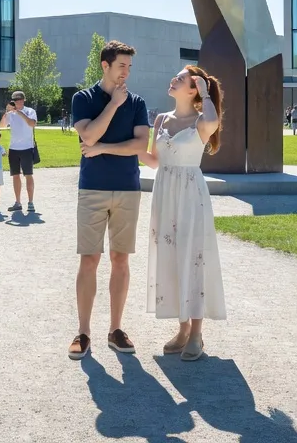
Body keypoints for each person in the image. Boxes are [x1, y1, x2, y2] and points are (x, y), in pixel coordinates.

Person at [139, 65, 227, 361]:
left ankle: (197, 333)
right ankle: (182, 327)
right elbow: (152, 160)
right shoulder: (161, 119)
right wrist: (131, 143)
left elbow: (214, 121)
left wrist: (206, 92)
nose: (172, 79)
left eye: (179, 78)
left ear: (192, 89)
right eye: (174, 76)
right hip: (164, 192)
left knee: (193, 258)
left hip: (191, 194)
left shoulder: (203, 121)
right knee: (171, 257)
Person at [69, 40, 149, 360]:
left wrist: (103, 148)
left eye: (129, 67)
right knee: (89, 259)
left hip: (128, 188)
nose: (126, 73)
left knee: (121, 259)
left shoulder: (138, 102)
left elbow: (140, 146)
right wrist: (114, 105)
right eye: (121, 66)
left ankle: (116, 330)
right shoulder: (83, 98)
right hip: (92, 189)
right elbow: (87, 135)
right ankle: (83, 332)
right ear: (105, 65)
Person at [3, 90, 39, 213]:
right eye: (15, 100)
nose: (18, 101)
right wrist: (6, 112)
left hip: (27, 148)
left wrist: (19, 112)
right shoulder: (10, 114)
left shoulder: (30, 111)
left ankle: (30, 202)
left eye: (20, 99)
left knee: (28, 175)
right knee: (15, 176)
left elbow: (32, 124)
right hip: (13, 148)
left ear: (23, 100)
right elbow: (2, 125)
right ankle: (18, 202)